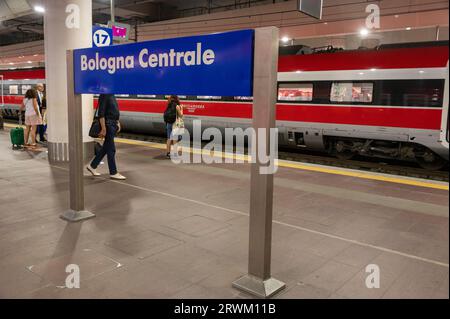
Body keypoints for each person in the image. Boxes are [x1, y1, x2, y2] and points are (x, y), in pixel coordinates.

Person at [86, 94, 126, 180]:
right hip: (108, 125)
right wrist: (103, 128)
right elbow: (101, 114)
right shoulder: (104, 95)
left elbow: (113, 110)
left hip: (113, 124)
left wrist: (117, 122)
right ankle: (113, 172)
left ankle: (92, 166)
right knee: (111, 149)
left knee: (105, 148)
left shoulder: (112, 94)